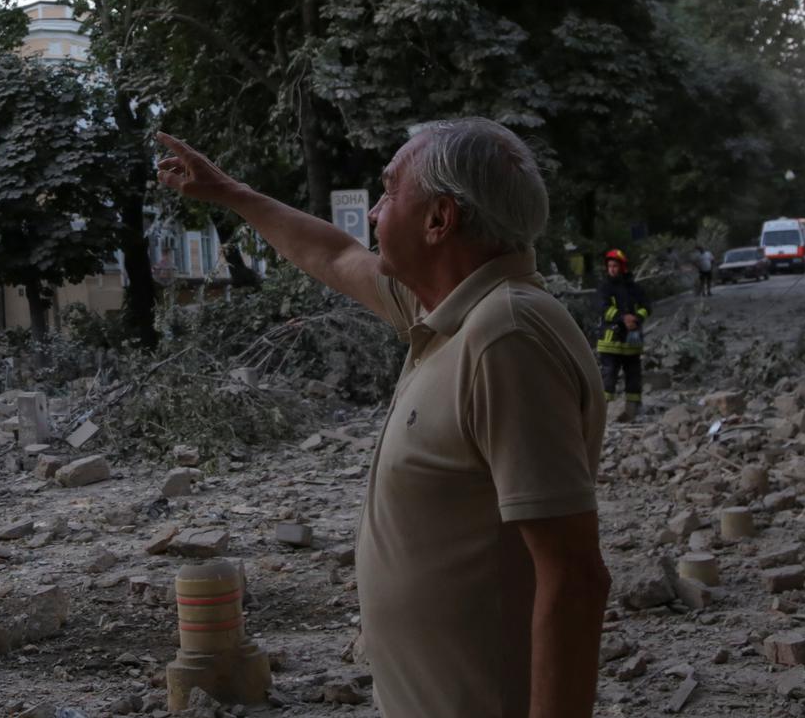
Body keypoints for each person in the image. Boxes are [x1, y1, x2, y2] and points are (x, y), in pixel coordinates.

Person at [158, 119, 609, 718]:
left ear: (439, 219)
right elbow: (335, 254)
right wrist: (232, 193)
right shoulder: (449, 314)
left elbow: (575, 577)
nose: (373, 213)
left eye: (390, 192)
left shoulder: (505, 338)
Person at [595, 250, 651, 420]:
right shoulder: (605, 287)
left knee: (633, 373)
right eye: (609, 266)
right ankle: (605, 410)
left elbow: (647, 306)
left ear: (622, 267)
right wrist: (622, 318)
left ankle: (633, 407)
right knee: (609, 373)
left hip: (631, 342)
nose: (612, 269)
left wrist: (637, 318)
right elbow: (603, 308)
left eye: (615, 266)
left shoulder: (634, 288)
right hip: (610, 340)